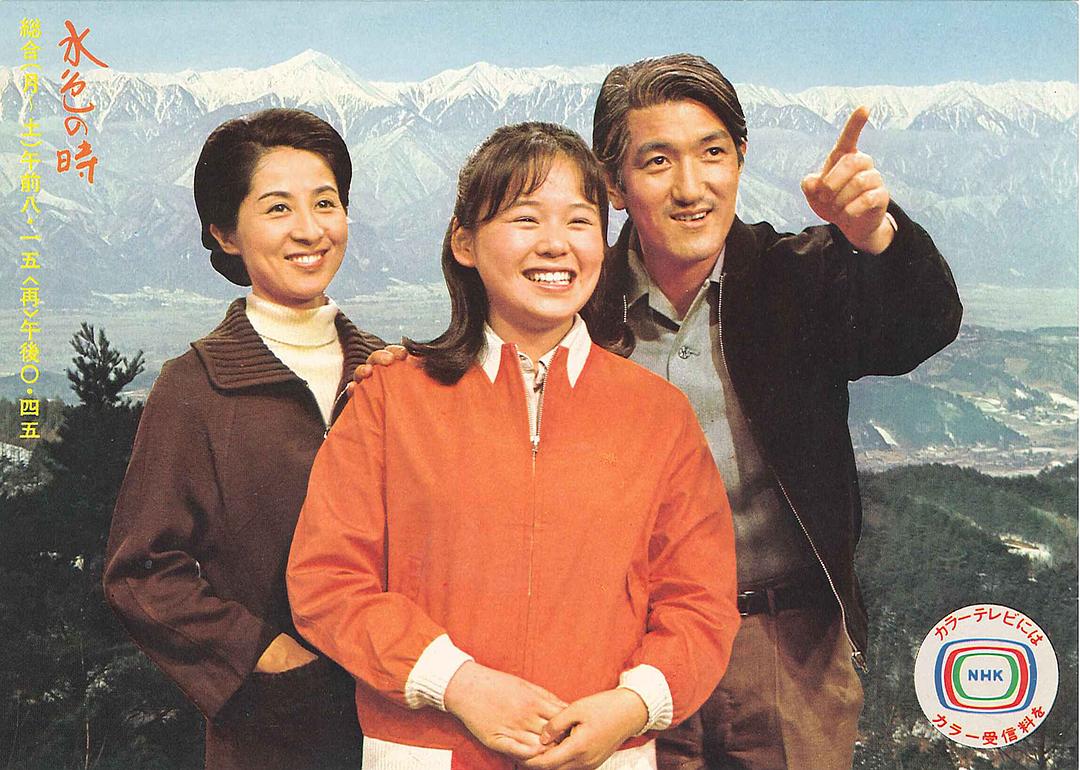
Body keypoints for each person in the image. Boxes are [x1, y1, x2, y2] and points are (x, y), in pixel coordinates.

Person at [287, 122, 740, 770]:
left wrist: (630, 706)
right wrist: (457, 682)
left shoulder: (659, 416)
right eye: (526, 218)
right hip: (429, 752)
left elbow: (701, 603)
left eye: (580, 221)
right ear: (464, 242)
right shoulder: (391, 398)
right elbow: (327, 582)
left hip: (603, 755)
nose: (556, 244)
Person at [589, 54, 963, 769]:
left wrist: (874, 236)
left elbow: (924, 324)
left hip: (788, 648)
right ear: (613, 184)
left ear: (741, 158)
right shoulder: (581, 309)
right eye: (658, 161)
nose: (691, 188)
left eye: (712, 153)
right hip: (625, 653)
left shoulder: (798, 277)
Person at [103, 108, 384, 770]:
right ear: (225, 233)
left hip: (406, 726)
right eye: (278, 208)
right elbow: (140, 570)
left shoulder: (390, 372)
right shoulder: (195, 386)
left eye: (326, 203)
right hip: (270, 740)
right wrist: (267, 657)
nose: (310, 229)